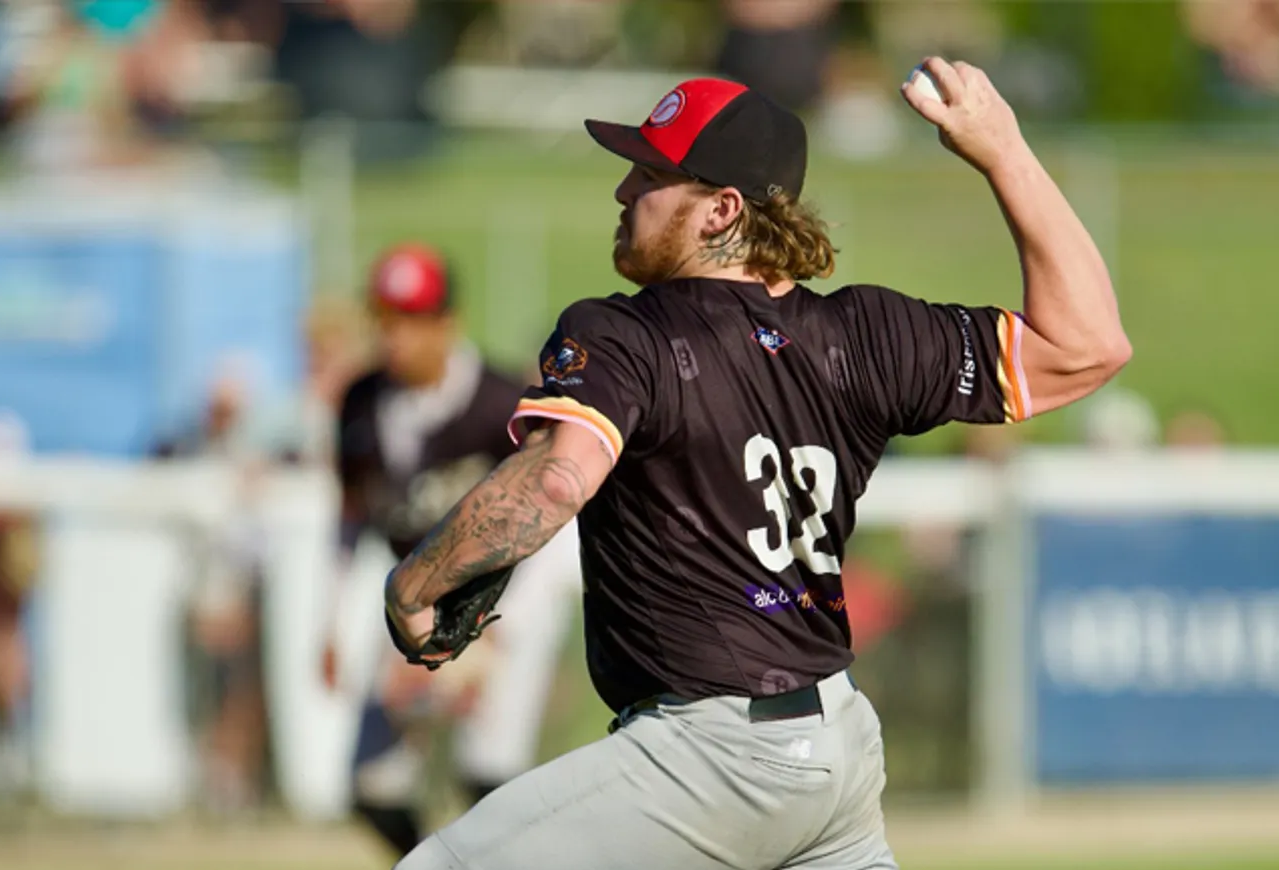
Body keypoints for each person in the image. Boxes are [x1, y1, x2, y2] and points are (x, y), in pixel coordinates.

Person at [383, 58, 1132, 870]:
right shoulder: (866, 335)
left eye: (650, 175)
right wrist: (1004, 151)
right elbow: (1087, 345)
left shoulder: (626, 334)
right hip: (837, 750)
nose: (624, 192)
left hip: (711, 756)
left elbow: (559, 478)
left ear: (722, 209)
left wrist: (416, 584)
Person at [322, 244, 582, 858]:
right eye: (385, 319)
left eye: (411, 320)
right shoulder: (362, 401)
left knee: (487, 776)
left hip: (508, 596)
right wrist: (330, 622)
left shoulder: (499, 401)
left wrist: (496, 637)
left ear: (447, 322)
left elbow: (554, 526)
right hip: (418, 599)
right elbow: (351, 517)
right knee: (372, 788)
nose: (395, 337)